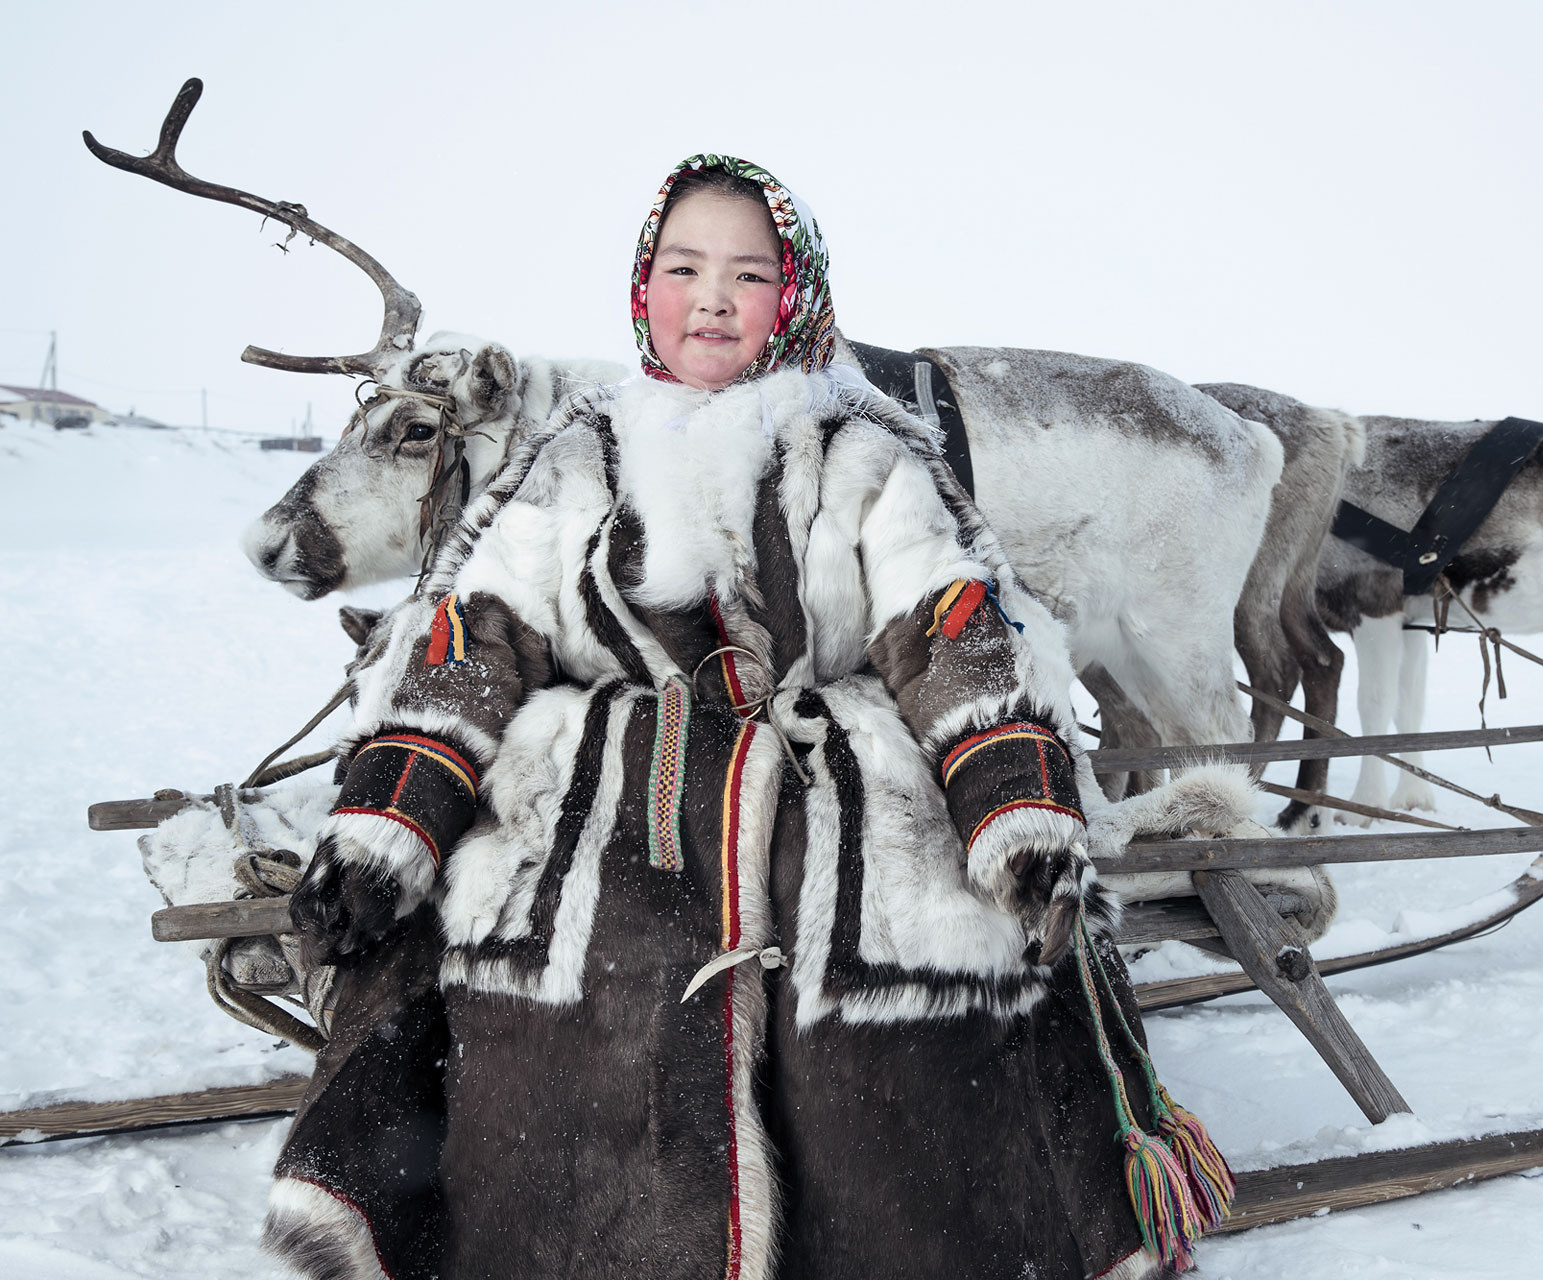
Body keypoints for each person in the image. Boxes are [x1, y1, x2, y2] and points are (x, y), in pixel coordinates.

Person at [267, 155, 1227, 1280]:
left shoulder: (865, 455)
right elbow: (474, 638)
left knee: (906, 1031)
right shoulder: (570, 462)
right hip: (613, 803)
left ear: (797, 297)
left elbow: (954, 626)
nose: (710, 296)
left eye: (748, 272)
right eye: (683, 266)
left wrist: (1016, 812)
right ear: (644, 288)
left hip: (834, 794)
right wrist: (392, 823)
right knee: (544, 992)